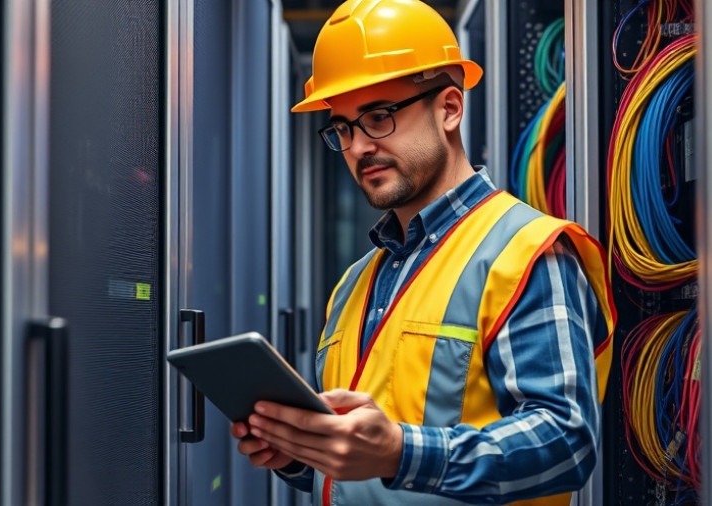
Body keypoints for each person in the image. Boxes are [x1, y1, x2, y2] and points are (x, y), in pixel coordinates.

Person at [230, 0, 616, 504]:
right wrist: (303, 453)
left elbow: (565, 443)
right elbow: (366, 463)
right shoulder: (356, 283)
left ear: (450, 108)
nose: (358, 146)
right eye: (343, 127)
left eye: (379, 116)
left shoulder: (525, 253)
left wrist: (399, 453)